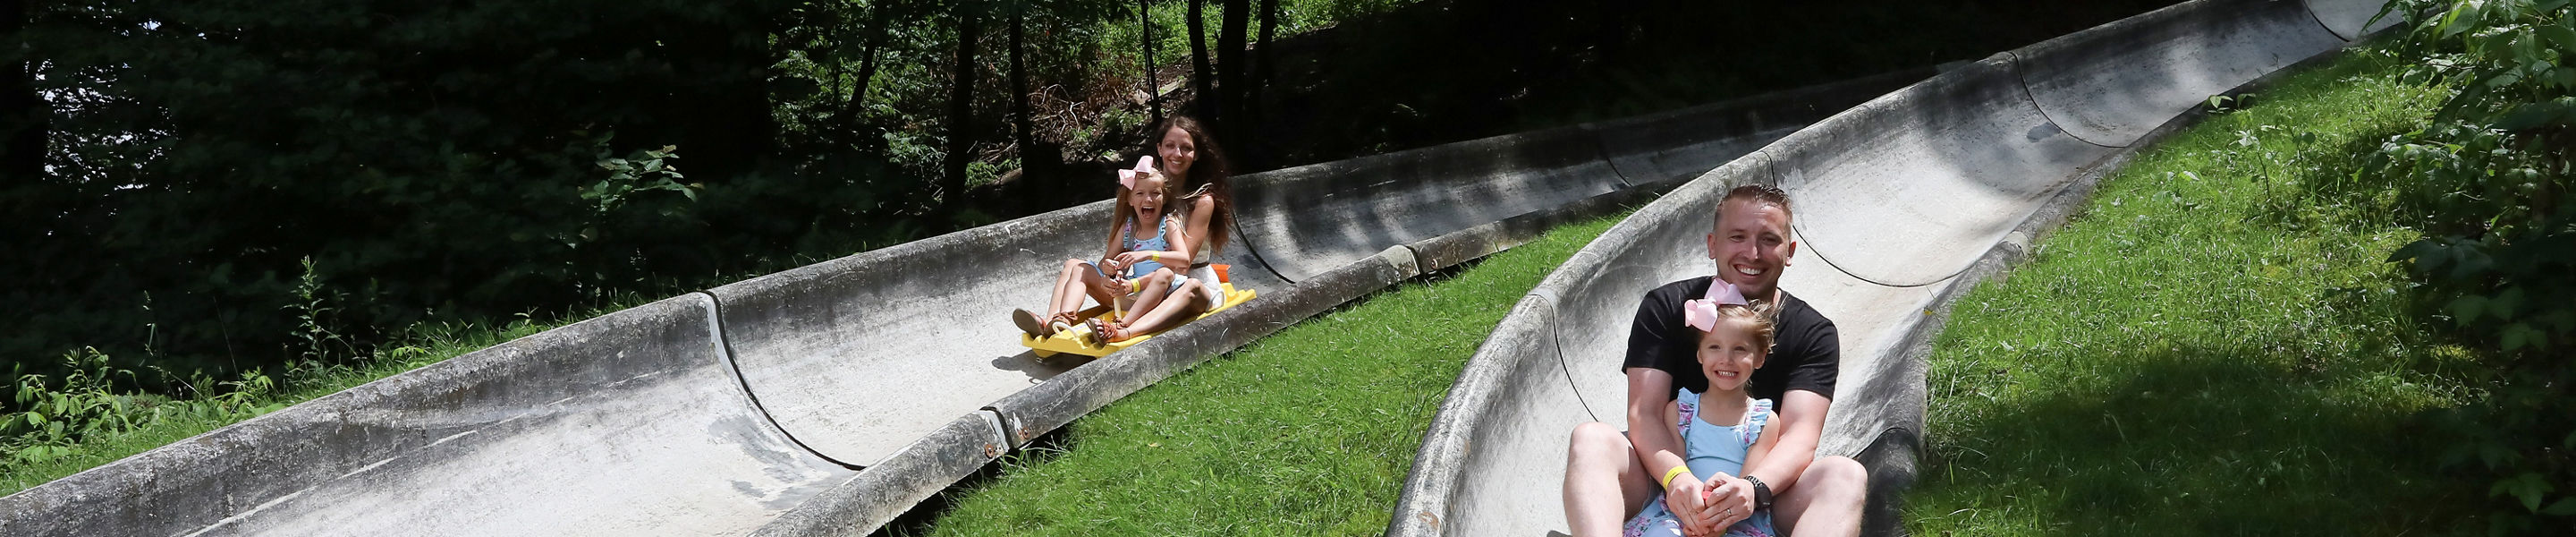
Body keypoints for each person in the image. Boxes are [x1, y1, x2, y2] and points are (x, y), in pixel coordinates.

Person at [1563, 184, 1868, 537]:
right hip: (1663, 480)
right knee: (1591, 440)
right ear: (1713, 244)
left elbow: (1800, 435)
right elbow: (1644, 414)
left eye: (1769, 239)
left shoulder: (1814, 332)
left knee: (1846, 475)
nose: (1752, 253)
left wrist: (1753, 488)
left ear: (1790, 251)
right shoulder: (1665, 306)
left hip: (1764, 496)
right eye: (1737, 237)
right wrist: (1677, 479)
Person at [1013, 115, 1236, 343]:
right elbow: (1116, 253)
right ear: (1159, 148)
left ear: (1196, 154)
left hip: (1180, 283)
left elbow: (1183, 263)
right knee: (1074, 265)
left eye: (1186, 148)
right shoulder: (1148, 190)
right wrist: (1113, 275)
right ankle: (1055, 321)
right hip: (1141, 288)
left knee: (1179, 281)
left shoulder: (1201, 201)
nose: (1177, 154)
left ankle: (1124, 330)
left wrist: (1134, 278)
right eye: (1170, 145)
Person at [1623, 284, 1782, 537]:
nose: (1726, 359)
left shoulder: (1763, 420)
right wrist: (1696, 513)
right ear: (1700, 355)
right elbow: (1677, 471)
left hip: (1736, 518)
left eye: (1739, 349)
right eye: (1714, 347)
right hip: (1684, 511)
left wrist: (1717, 517)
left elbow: (1747, 484)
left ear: (1760, 358)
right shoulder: (1681, 411)